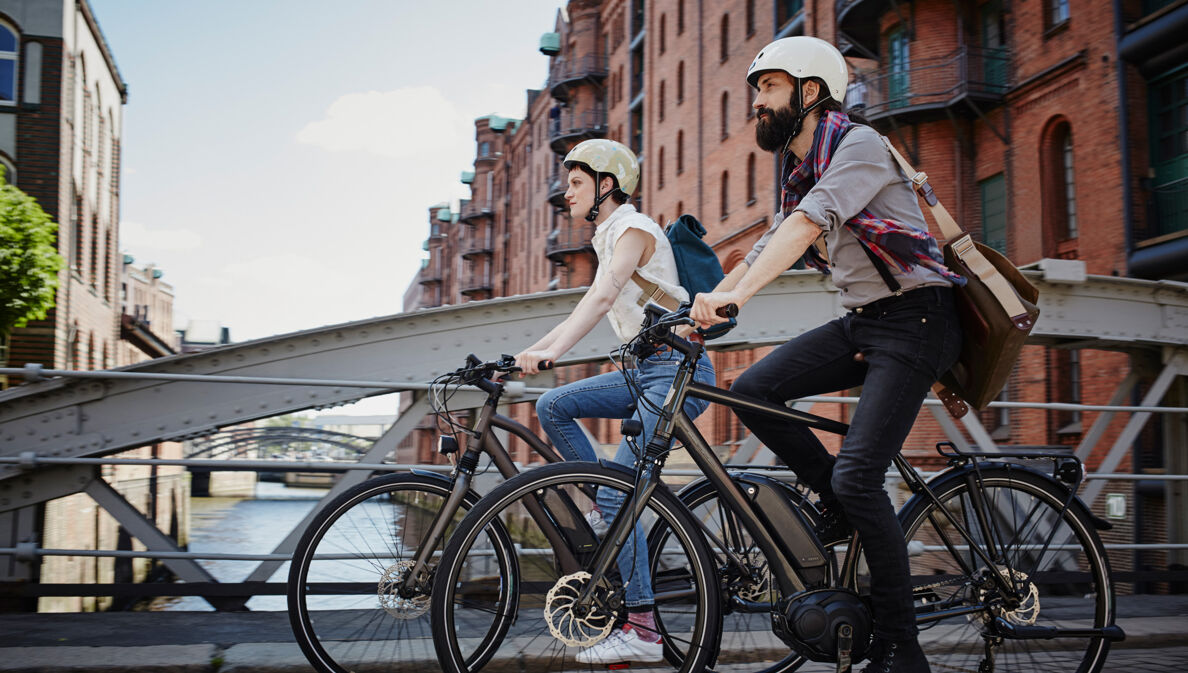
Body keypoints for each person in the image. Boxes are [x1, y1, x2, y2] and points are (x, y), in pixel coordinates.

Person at [691, 36, 964, 673]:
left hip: (919, 319)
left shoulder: (859, 147)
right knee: (753, 389)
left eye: (768, 87)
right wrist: (709, 305)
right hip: (867, 321)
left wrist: (734, 301)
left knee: (861, 474)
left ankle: (901, 647)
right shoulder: (799, 165)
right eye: (756, 90)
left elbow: (808, 226)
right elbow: (768, 245)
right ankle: (837, 503)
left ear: (810, 92)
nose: (756, 102)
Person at [515, 138, 715, 665]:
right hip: (645, 370)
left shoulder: (633, 229)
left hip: (675, 374)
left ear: (608, 185)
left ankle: (645, 630)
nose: (567, 193)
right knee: (553, 406)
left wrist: (552, 351)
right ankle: (605, 507)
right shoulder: (609, 235)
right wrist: (529, 353)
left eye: (577, 183)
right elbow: (592, 299)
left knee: (617, 497)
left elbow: (601, 297)